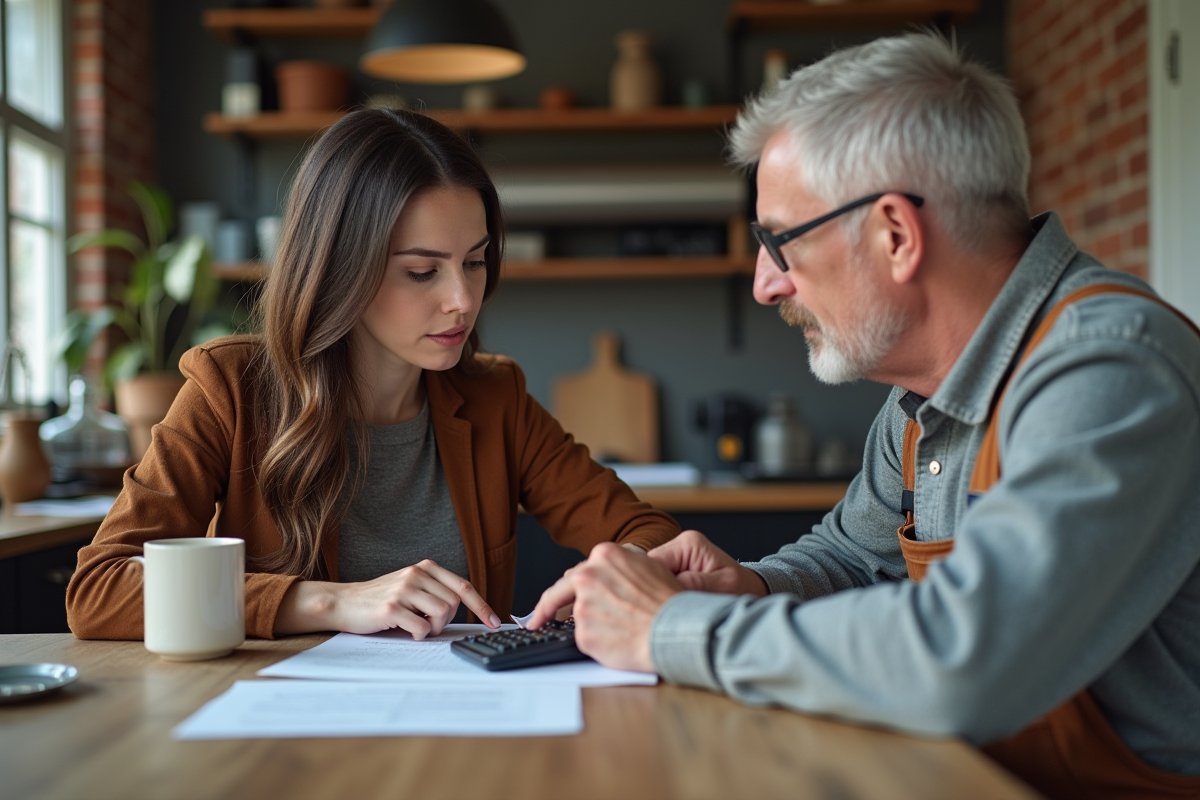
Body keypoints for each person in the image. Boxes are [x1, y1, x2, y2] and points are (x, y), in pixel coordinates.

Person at [528, 33, 1200, 798]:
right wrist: (745, 585)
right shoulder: (920, 402)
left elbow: (966, 659)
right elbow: (851, 561)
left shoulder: (1111, 369)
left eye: (779, 241)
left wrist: (668, 630)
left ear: (895, 235)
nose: (765, 285)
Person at [67, 108, 678, 642]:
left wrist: (615, 571)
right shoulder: (231, 388)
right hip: (282, 737)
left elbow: (647, 532)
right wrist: (331, 601)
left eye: (475, 262)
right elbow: (99, 589)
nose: (463, 299)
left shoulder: (496, 397)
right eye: (422, 271)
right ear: (340, 268)